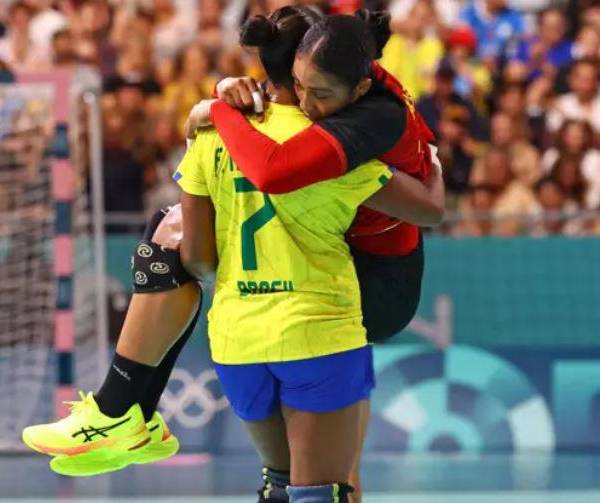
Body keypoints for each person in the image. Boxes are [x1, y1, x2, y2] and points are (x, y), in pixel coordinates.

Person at [22, 9, 444, 503]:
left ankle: (119, 407)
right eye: (302, 86)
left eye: (321, 93)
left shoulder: (365, 122)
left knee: (171, 234)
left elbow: (273, 172)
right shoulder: (325, 91)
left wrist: (213, 111)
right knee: (319, 485)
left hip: (370, 283)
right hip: (318, 309)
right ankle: (120, 409)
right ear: (296, 64)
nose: (310, 102)